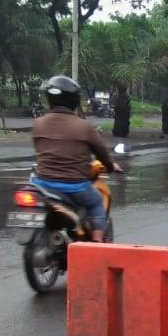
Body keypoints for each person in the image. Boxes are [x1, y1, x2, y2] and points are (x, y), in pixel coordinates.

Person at [30, 75, 120, 243]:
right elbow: (102, 153)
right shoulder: (83, 126)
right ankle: (97, 243)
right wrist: (110, 166)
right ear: (73, 101)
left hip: (42, 184)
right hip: (74, 186)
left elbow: (39, 149)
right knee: (96, 202)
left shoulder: (39, 123)